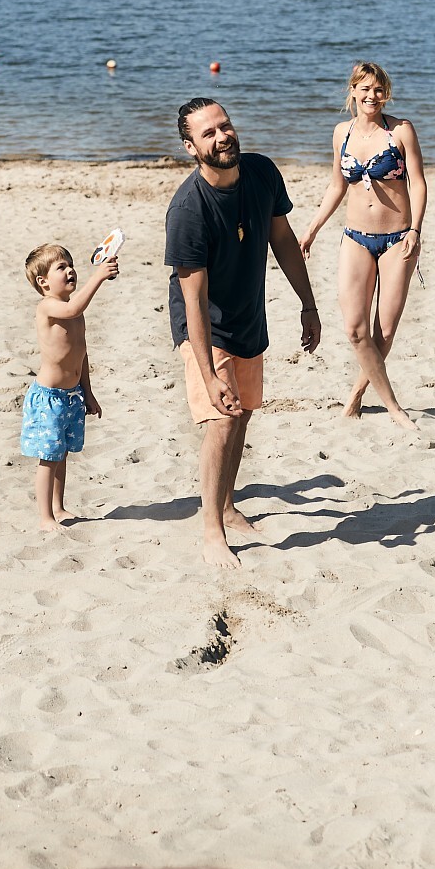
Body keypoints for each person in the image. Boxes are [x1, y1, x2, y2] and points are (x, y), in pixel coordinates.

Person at [165, 98, 320, 569]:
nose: (222, 137)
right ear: (190, 147)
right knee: (223, 419)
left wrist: (308, 304)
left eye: (225, 126)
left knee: (244, 412)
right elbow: (194, 299)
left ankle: (228, 506)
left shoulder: (262, 172)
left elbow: (284, 241)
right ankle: (212, 529)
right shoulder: (188, 209)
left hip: (248, 315)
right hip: (204, 325)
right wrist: (209, 374)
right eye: (208, 133)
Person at [297, 62, 427, 431]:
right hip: (355, 237)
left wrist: (415, 230)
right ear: (353, 91)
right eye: (365, 89)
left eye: (379, 90)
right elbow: (336, 186)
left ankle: (357, 395)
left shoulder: (401, 131)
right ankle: (393, 406)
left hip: (398, 239)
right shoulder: (342, 133)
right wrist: (312, 229)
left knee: (383, 332)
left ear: (387, 94)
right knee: (355, 330)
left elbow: (418, 183)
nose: (372, 96)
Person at [20, 241, 117, 531]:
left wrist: (88, 392)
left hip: (71, 395)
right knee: (48, 459)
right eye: (61, 267)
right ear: (43, 282)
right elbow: (75, 307)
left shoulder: (74, 312)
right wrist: (98, 276)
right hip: (48, 398)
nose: (70, 270)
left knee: (61, 454)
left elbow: (81, 353)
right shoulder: (49, 307)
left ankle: (58, 507)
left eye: (71, 265)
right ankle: (45, 517)